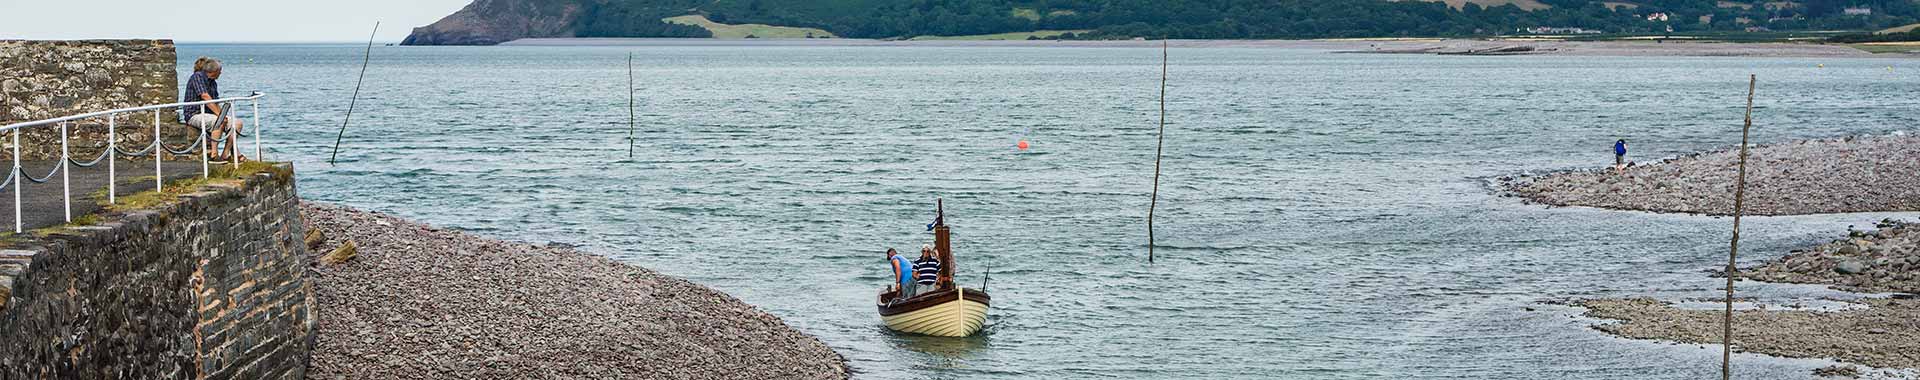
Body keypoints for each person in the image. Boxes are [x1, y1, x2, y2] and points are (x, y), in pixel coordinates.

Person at [181, 57, 244, 162]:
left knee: (237, 123)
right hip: (194, 113)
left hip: (210, 113)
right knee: (218, 121)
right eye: (220, 71)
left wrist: (223, 115)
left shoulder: (213, 82)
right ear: (215, 71)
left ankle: (225, 153)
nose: (221, 73)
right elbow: (205, 96)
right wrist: (220, 115)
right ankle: (214, 154)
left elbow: (215, 102)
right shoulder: (197, 77)